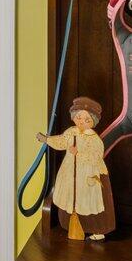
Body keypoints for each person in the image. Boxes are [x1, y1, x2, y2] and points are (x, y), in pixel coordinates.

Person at [37, 97, 115, 240]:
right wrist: (47, 139)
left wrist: (78, 152)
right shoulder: (71, 132)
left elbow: (96, 157)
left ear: (93, 122)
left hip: (88, 175)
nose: (81, 122)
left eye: (87, 120)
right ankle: (69, 225)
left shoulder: (94, 139)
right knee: (70, 198)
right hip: (70, 172)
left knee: (89, 201)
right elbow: (61, 141)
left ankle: (97, 230)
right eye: (79, 117)